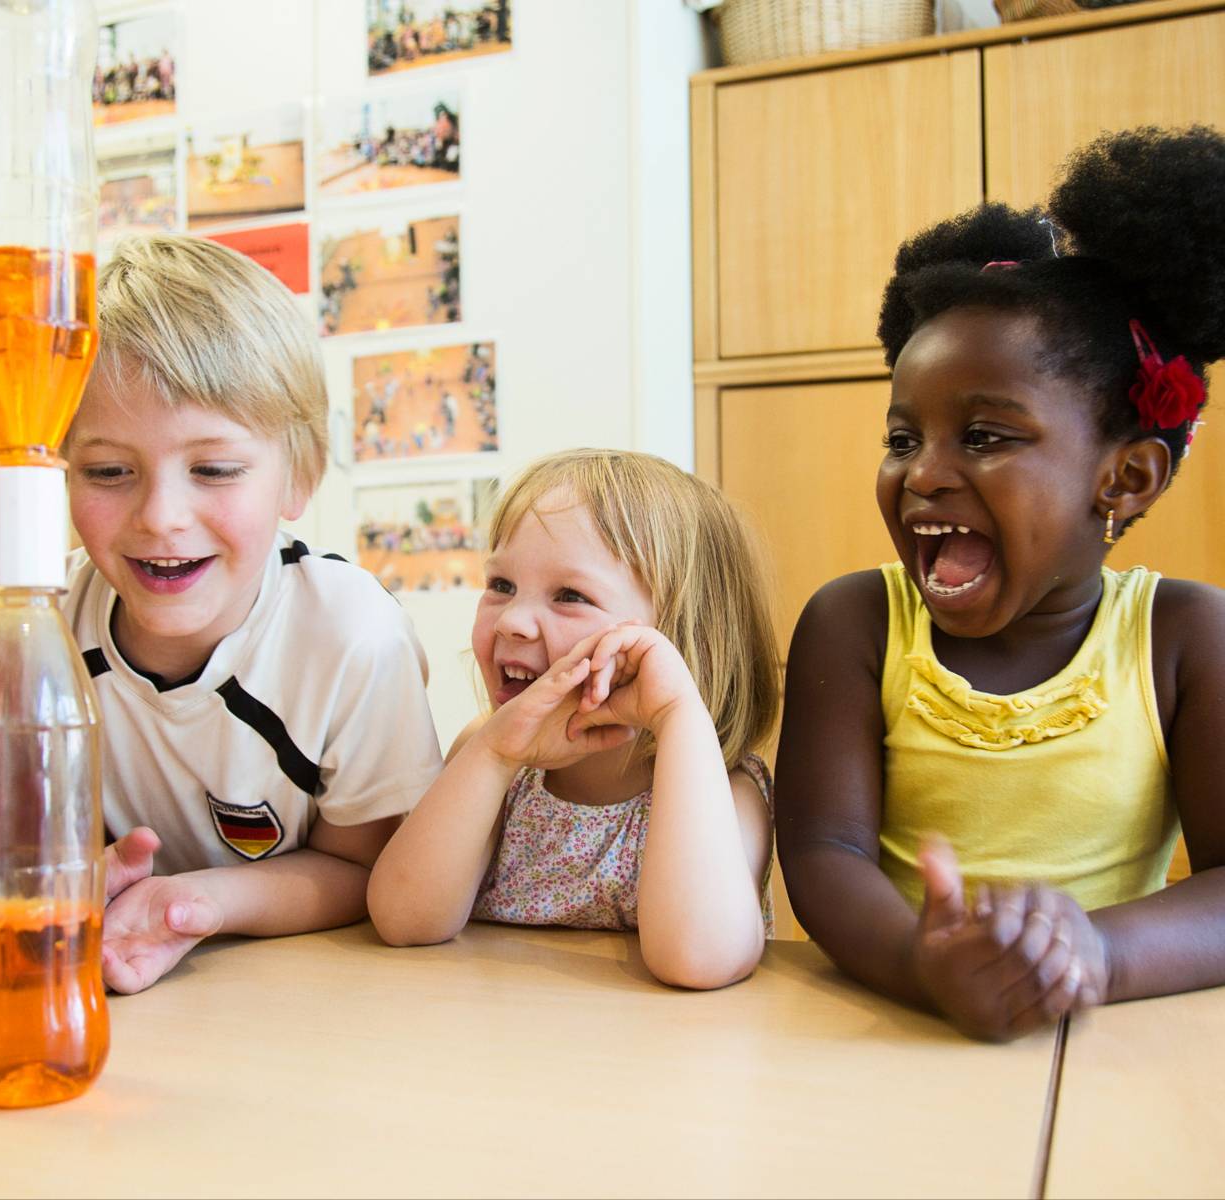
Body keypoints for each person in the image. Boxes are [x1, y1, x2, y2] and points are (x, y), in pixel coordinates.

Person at [775, 126, 1225, 1041]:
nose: (924, 474)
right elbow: (824, 855)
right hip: (889, 1032)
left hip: (1108, 1055)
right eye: (903, 438)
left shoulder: (1184, 636)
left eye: (983, 437)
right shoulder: (856, 622)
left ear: (1126, 478)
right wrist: (923, 965)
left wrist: (1088, 954)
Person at [62, 233, 442, 994]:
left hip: (314, 1000)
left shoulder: (353, 640)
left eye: (214, 470)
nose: (162, 516)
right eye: (109, 471)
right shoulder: (47, 632)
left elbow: (364, 866)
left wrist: (199, 901)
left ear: (297, 477)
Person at [367, 450, 781, 989]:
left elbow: (698, 959)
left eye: (569, 596)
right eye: (500, 585)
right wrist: (494, 755)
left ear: (680, 638)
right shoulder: (493, 757)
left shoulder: (724, 784)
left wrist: (679, 712)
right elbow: (404, 920)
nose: (513, 621)